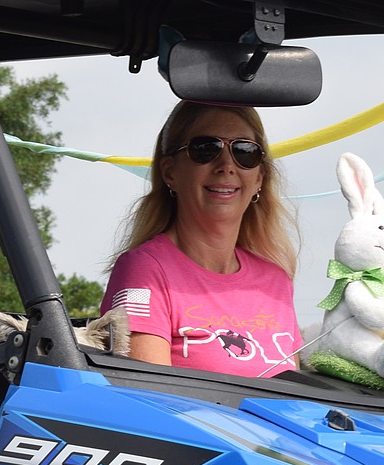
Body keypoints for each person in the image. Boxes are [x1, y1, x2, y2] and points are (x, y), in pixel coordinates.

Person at [101, 101, 303, 377]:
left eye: (245, 152)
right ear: (170, 171)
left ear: (259, 178)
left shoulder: (276, 281)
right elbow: (150, 399)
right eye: (206, 149)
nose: (226, 166)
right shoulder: (142, 273)